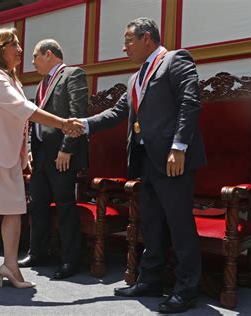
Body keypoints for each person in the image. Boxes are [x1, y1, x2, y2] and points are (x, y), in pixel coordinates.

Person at [71, 18, 206, 313]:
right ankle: (151, 280)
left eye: (128, 40)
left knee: (180, 226)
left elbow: (190, 102)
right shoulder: (136, 78)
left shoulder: (175, 60)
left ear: (147, 38)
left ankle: (186, 290)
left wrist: (179, 147)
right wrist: (81, 125)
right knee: (153, 224)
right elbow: (117, 113)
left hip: (173, 160)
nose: (124, 48)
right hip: (146, 162)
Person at [0, 28, 83, 287]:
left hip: (8, 156)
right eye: (14, 45)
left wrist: (25, 151)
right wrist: (64, 122)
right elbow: (24, 110)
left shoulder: (12, 79)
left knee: (13, 211)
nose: (20, 50)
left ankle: (10, 266)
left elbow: (20, 121)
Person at [17, 39, 88, 279]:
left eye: (35, 56)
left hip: (61, 155)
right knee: (37, 206)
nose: (32, 62)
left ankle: (70, 260)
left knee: (65, 207)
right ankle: (37, 252)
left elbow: (77, 114)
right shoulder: (42, 83)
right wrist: (29, 148)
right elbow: (35, 118)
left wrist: (67, 148)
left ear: (49, 54)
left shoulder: (72, 74)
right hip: (40, 155)